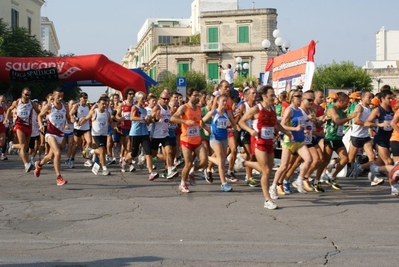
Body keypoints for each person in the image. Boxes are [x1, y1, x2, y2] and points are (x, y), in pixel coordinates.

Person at [239, 86, 292, 209]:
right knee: (266, 171)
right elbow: (241, 121)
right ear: (264, 96)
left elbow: (276, 124)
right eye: (271, 95)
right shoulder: (256, 109)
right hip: (258, 141)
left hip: (269, 142)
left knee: (268, 167)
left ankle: (244, 162)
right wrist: (250, 130)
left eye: (274, 95)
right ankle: (267, 200)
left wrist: (286, 132)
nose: (274, 97)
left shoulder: (272, 108)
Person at [269, 89, 312, 199]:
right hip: (289, 141)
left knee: (309, 159)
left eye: (301, 97)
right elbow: (281, 125)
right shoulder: (289, 110)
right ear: (292, 97)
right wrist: (295, 128)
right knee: (284, 166)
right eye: (297, 96)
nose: (300, 99)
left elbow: (300, 124)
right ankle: (273, 186)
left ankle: (299, 180)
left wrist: (303, 130)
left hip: (299, 140)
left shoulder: (300, 111)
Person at [171, 88, 208, 193]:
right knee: (188, 163)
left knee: (204, 160)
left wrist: (206, 129)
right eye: (195, 95)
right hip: (186, 140)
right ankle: (182, 183)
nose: (197, 97)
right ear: (189, 96)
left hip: (197, 140)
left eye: (198, 95)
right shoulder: (184, 107)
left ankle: (193, 171)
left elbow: (200, 121)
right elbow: (173, 118)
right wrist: (185, 120)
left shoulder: (198, 109)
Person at [34, 88, 71, 186]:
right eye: (58, 96)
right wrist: (41, 125)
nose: (60, 98)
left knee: (50, 156)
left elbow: (68, 118)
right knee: (57, 153)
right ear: (53, 96)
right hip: (50, 133)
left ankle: (39, 165)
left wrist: (72, 121)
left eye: (62, 96)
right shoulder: (49, 107)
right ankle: (59, 177)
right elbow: (39, 116)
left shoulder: (65, 107)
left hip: (60, 134)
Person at [202, 94, 237, 192]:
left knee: (222, 159)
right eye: (223, 101)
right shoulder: (213, 112)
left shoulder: (228, 113)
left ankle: (205, 158)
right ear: (218, 102)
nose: (225, 103)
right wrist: (206, 129)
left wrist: (231, 129)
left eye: (226, 101)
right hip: (214, 138)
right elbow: (201, 121)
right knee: (221, 160)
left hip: (224, 138)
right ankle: (224, 184)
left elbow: (234, 125)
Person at [323, 92, 357, 189]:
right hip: (330, 138)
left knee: (345, 159)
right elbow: (337, 121)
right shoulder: (332, 109)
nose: (348, 105)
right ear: (340, 101)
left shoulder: (341, 111)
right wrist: (350, 117)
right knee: (325, 161)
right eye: (346, 102)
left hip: (338, 139)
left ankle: (332, 177)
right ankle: (317, 179)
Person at [123, 91, 158, 180]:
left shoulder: (145, 110)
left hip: (144, 133)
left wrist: (149, 119)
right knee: (134, 153)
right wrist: (142, 118)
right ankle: (125, 160)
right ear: (138, 99)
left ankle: (151, 172)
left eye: (145, 99)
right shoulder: (135, 107)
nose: (144, 100)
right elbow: (132, 118)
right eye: (143, 99)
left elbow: (146, 122)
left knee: (148, 152)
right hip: (135, 133)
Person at [4, 87, 41, 172]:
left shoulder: (32, 104)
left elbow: (39, 112)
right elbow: (9, 109)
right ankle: (26, 164)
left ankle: (12, 145)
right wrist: (6, 118)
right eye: (26, 94)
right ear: (22, 94)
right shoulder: (17, 102)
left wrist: (41, 118)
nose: (27, 96)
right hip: (19, 125)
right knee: (23, 145)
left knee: (25, 147)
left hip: (28, 126)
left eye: (29, 95)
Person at [80, 96, 114, 176]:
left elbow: (110, 122)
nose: (104, 106)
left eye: (106, 104)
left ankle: (91, 151)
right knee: (102, 150)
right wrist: (81, 122)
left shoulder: (107, 113)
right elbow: (87, 118)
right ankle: (104, 169)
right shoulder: (94, 112)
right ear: (98, 103)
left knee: (103, 151)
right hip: (96, 134)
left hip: (104, 134)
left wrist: (114, 127)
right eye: (103, 104)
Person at [150, 91, 178, 179]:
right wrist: (155, 119)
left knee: (169, 151)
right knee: (153, 154)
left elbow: (171, 119)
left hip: (165, 134)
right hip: (156, 135)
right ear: (160, 99)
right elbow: (149, 120)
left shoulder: (169, 108)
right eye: (164, 99)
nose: (165, 100)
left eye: (167, 99)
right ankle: (144, 158)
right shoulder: (157, 108)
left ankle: (169, 170)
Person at [69, 92, 92, 167]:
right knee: (76, 145)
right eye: (84, 98)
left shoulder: (88, 106)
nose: (85, 99)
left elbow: (90, 115)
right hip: (78, 127)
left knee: (89, 142)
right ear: (80, 98)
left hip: (86, 127)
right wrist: (77, 119)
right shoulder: (77, 105)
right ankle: (71, 159)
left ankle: (87, 159)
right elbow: (71, 114)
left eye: (86, 98)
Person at [116, 88, 136, 171]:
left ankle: (126, 162)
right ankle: (126, 161)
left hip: (133, 127)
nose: (131, 95)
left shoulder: (135, 104)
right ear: (126, 95)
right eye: (130, 94)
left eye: (132, 94)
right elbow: (116, 115)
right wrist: (120, 119)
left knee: (130, 145)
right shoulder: (122, 104)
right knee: (126, 145)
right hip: (125, 127)